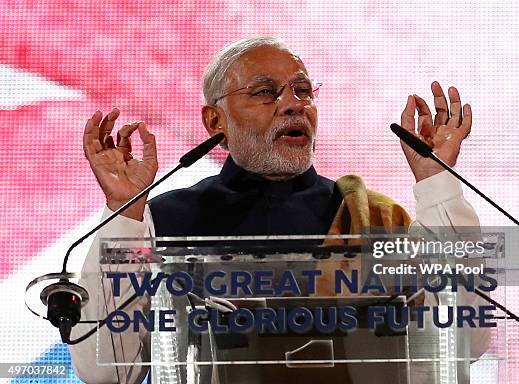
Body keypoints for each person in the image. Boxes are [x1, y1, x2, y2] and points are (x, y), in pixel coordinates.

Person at [70, 37, 488, 384]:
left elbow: (467, 340)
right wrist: (123, 213)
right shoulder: (167, 220)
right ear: (215, 121)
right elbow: (106, 370)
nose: (293, 105)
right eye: (266, 92)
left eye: (302, 90)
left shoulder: (375, 219)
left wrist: (437, 183)